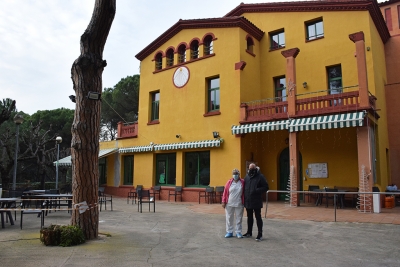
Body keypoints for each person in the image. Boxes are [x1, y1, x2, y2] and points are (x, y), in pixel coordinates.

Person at [243, 163, 269, 241]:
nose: (251, 170)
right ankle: (249, 232)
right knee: (249, 217)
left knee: (258, 217)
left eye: (252, 168)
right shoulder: (246, 177)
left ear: (256, 168)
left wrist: (256, 190)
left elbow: (266, 187)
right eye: (250, 168)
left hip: (256, 200)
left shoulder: (260, 177)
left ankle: (260, 234)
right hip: (248, 200)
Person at [222, 168, 245, 238]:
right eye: (234, 174)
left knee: (239, 218)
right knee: (229, 217)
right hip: (229, 203)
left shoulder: (242, 182)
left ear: (239, 174)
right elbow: (225, 192)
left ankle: (238, 232)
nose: (235, 175)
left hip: (239, 203)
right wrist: (223, 201)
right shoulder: (229, 182)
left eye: (236, 174)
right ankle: (229, 231)